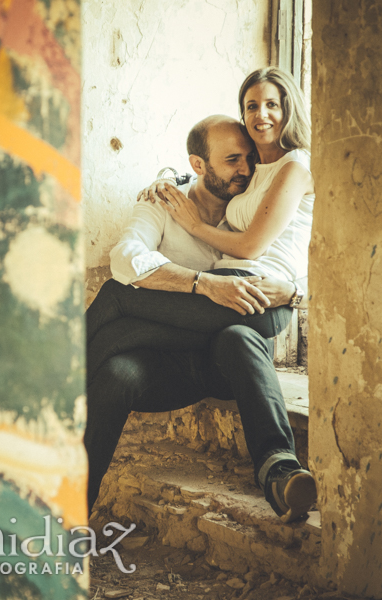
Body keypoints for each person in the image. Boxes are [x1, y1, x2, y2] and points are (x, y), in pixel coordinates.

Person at [86, 67, 315, 522]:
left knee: (123, 302)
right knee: (115, 370)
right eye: (233, 160)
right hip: (170, 361)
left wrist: (293, 290)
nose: (245, 169)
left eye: (248, 159)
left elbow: (286, 244)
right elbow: (126, 256)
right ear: (198, 165)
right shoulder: (168, 202)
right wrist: (203, 281)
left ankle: (280, 472)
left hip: (226, 353)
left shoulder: (261, 191)